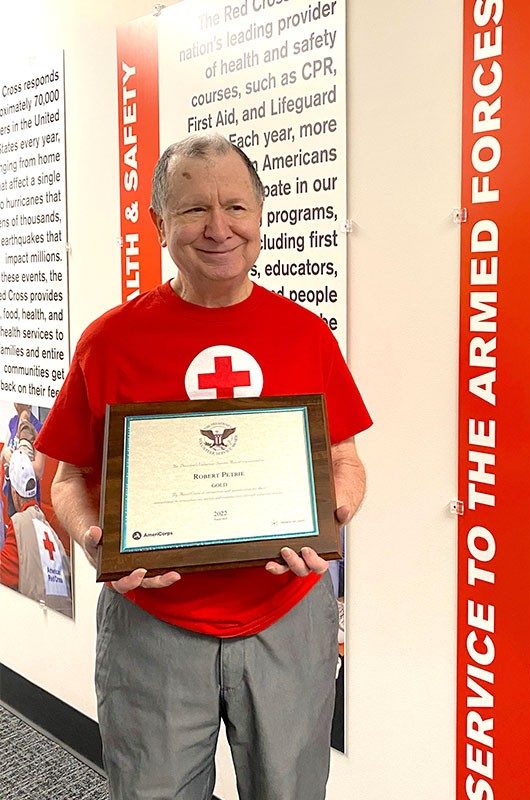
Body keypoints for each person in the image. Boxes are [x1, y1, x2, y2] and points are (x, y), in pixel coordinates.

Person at [36, 133, 372, 800]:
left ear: (259, 216)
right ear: (160, 223)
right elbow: (66, 477)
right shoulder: (109, 340)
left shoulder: (305, 333)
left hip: (287, 615)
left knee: (292, 791)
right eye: (193, 210)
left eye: (236, 207)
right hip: (152, 625)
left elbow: (343, 456)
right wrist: (96, 539)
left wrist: (331, 519)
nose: (219, 228)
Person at [0, 450, 72, 616]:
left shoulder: (19, 523)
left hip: (37, 622)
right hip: (62, 617)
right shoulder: (49, 530)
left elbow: (4, 574)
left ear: (14, 492)